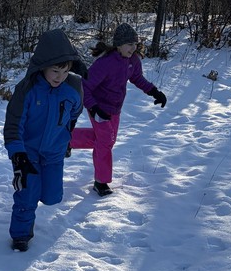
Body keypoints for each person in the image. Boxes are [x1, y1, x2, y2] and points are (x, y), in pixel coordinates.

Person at [3, 28, 84, 251]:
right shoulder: (27, 89)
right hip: (27, 153)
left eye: (65, 71)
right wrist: (18, 156)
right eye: (55, 71)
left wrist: (65, 141)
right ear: (43, 67)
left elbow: (73, 116)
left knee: (51, 197)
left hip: (54, 153)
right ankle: (21, 235)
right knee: (27, 194)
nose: (60, 77)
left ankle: (38, 192)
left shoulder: (73, 88)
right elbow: (13, 126)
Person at [69, 22, 167, 195]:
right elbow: (85, 86)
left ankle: (66, 139)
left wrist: (154, 92)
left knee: (106, 141)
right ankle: (101, 182)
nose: (133, 47)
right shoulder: (105, 63)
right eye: (130, 44)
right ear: (119, 45)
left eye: (135, 44)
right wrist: (94, 108)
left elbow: (137, 78)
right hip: (98, 106)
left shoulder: (133, 60)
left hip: (115, 108)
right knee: (105, 142)